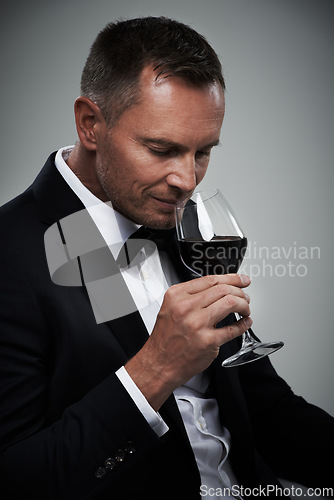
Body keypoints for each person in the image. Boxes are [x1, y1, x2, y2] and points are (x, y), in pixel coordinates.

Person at [0, 16, 333, 500]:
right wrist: (155, 368)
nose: (186, 181)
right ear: (90, 124)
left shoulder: (182, 223)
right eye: (161, 149)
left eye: (202, 152)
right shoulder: (14, 253)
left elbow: (265, 406)